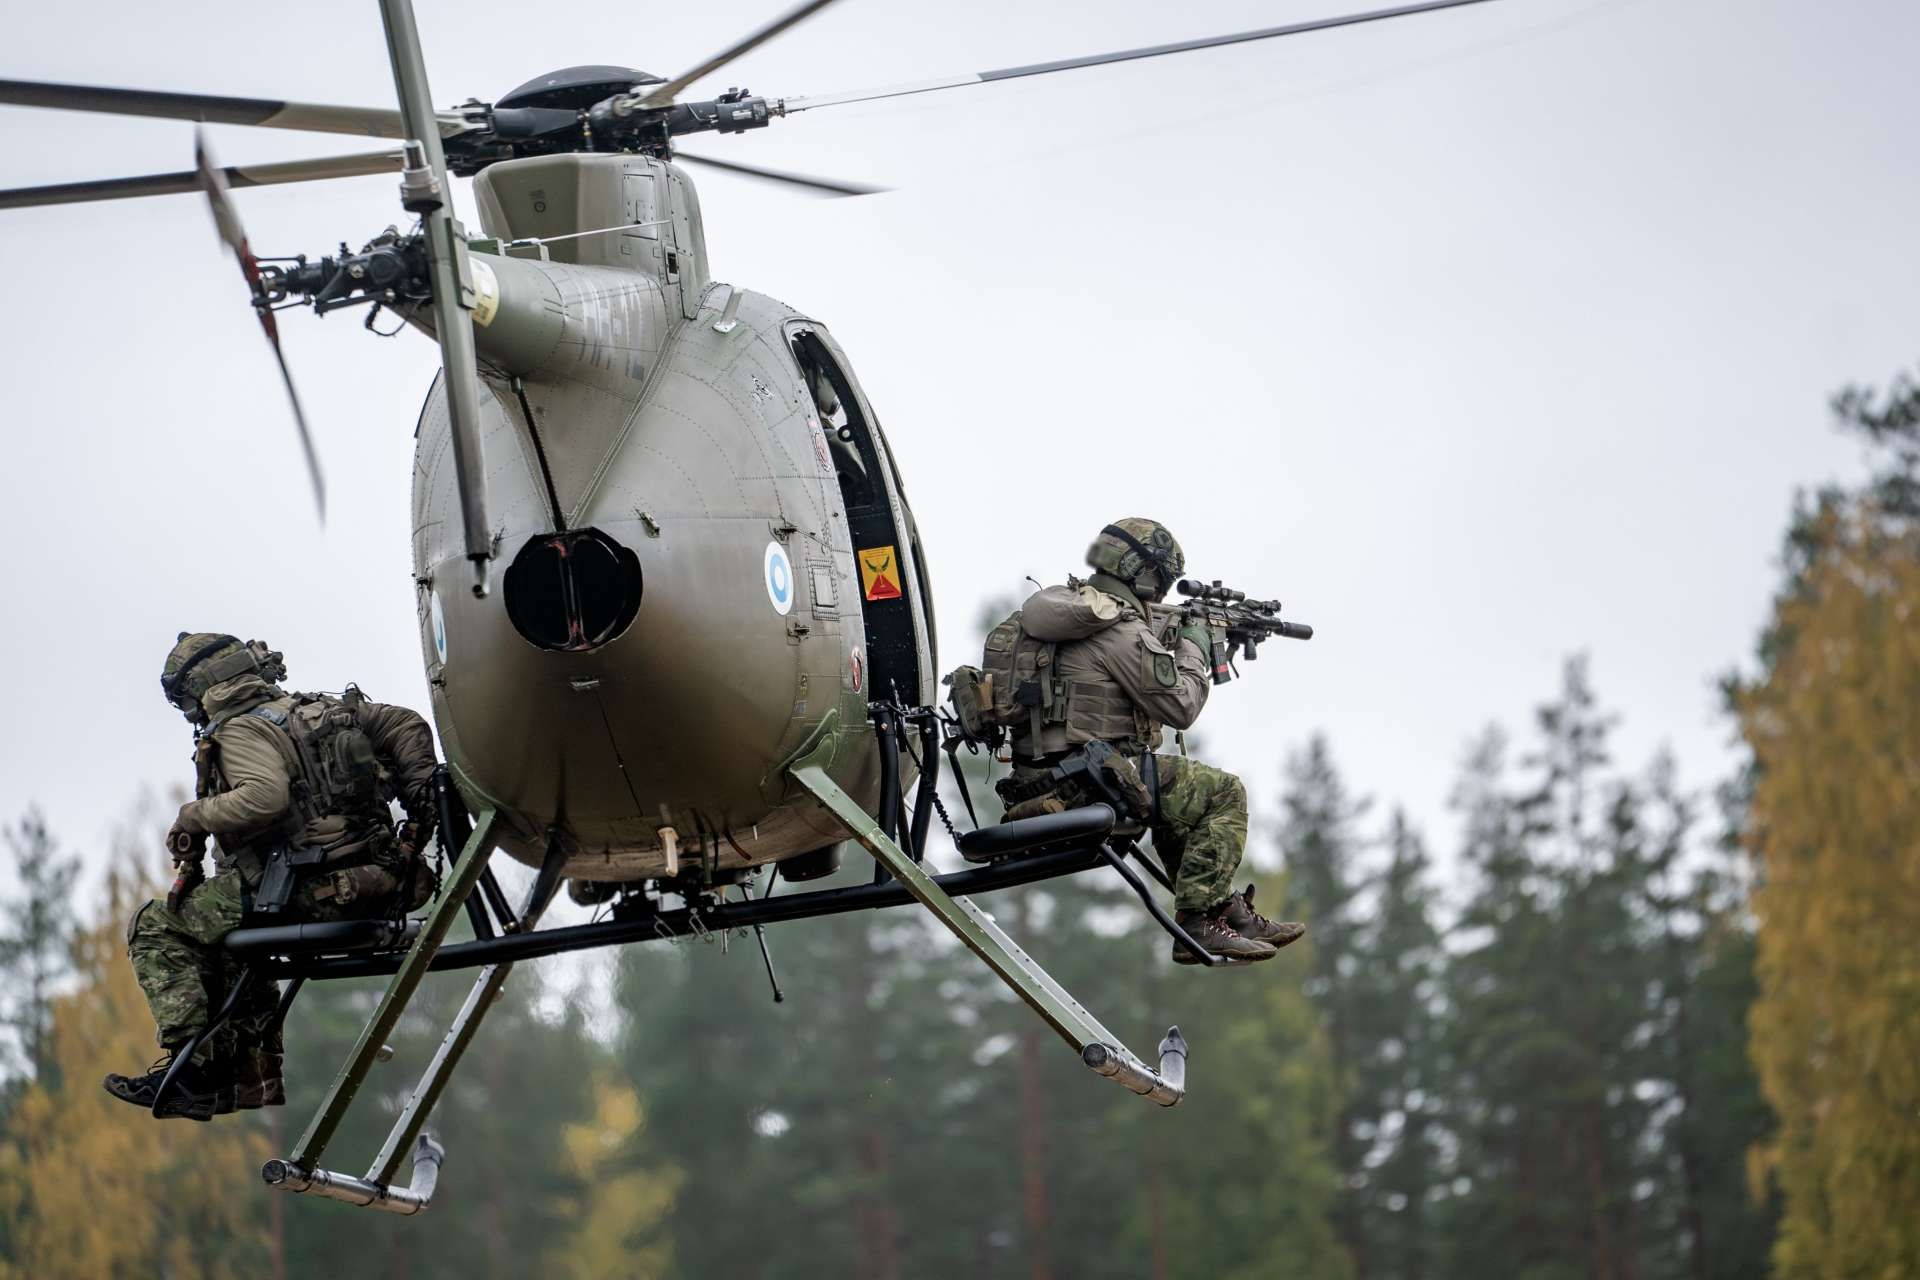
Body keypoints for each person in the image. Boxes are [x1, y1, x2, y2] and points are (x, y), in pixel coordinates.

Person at [104, 633, 440, 1120]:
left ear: (200, 687)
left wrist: (193, 815)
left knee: (157, 925)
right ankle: (249, 1077)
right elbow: (405, 723)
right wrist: (422, 800)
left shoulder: (237, 729)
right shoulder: (318, 711)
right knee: (225, 931)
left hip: (309, 892)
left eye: (184, 701)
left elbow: (266, 797)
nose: (189, 712)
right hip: (383, 885)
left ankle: (198, 1072)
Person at [991, 519, 1305, 964]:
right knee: (1223, 793)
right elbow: (1181, 708)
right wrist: (1195, 647)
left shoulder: (1070, 615)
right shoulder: (1118, 629)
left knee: (1173, 801)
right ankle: (1197, 922)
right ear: (1144, 572)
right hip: (1088, 782)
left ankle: (1224, 912)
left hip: (1042, 781)